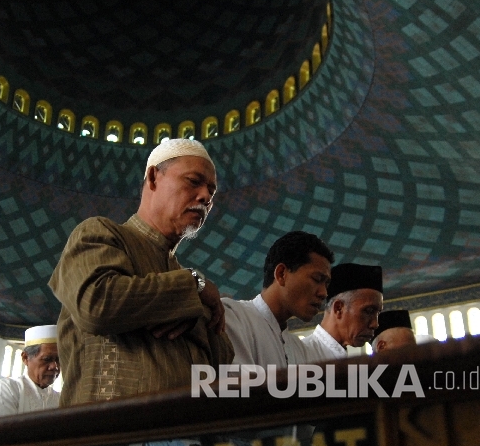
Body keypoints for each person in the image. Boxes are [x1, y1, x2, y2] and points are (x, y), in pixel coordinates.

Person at [49, 138, 234, 406]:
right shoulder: (100, 233)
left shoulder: (185, 278)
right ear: (153, 178)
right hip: (108, 440)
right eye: (194, 181)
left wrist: (191, 310)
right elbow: (97, 304)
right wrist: (191, 287)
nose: (206, 197)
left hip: (188, 442)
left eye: (212, 192)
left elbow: (221, 362)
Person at [225, 231, 334, 367]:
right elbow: (238, 386)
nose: (324, 293)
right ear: (281, 274)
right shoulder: (232, 317)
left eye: (326, 284)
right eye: (317, 279)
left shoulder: (299, 349)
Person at [300, 263, 383, 361]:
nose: (375, 324)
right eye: (368, 311)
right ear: (338, 308)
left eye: (378, 313)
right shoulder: (300, 356)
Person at [0, 325, 60, 419]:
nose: (55, 366)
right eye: (47, 359)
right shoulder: (7, 389)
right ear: (25, 358)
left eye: (59, 360)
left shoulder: (59, 399)